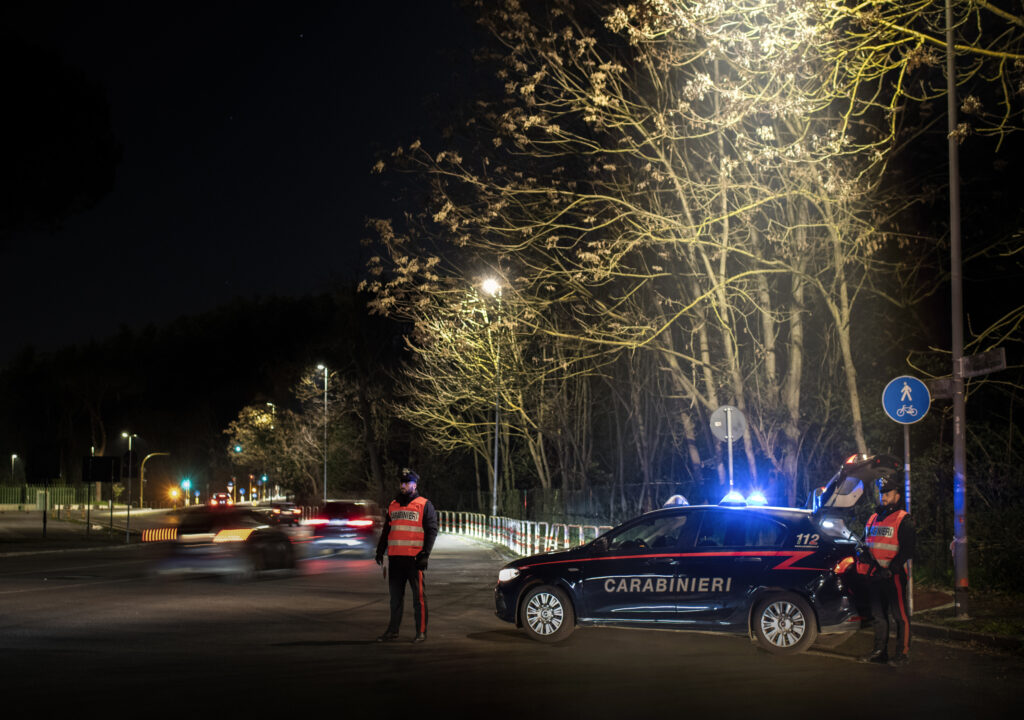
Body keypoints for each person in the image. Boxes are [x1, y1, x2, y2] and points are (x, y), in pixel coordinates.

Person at [856, 473, 915, 666]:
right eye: (882, 493)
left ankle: (902, 653)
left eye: (888, 493)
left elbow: (908, 550)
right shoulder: (873, 518)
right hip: (875, 575)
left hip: (894, 575)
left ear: (897, 495)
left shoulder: (904, 519)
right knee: (878, 616)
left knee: (900, 616)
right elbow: (865, 543)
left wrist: (891, 568)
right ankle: (879, 652)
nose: (884, 497)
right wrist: (863, 553)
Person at [375, 468, 438, 643]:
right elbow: (387, 530)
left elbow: (432, 531)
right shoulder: (393, 505)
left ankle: (421, 632)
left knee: (419, 598)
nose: (403, 485)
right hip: (395, 559)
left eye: (406, 482)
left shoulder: (424, 505)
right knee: (395, 599)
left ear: (414, 485)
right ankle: (393, 630)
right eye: (401, 482)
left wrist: (425, 554)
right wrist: (380, 550)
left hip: (414, 560)